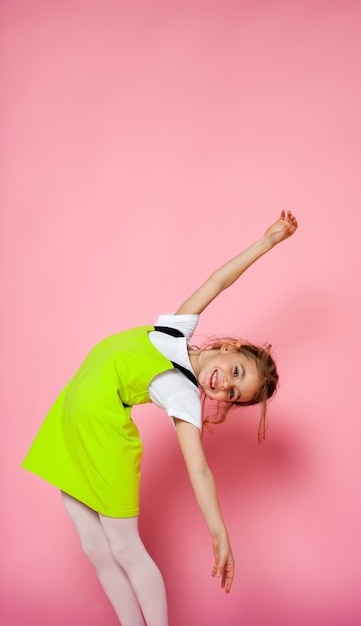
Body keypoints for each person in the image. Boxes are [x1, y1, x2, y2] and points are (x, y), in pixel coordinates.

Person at [22, 210, 298, 626]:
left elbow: (199, 470)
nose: (224, 386)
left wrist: (219, 532)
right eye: (236, 373)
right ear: (229, 347)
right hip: (72, 426)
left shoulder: (183, 393)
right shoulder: (176, 330)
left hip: (106, 445)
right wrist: (267, 242)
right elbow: (218, 281)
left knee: (125, 550)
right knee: (94, 548)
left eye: (233, 394)